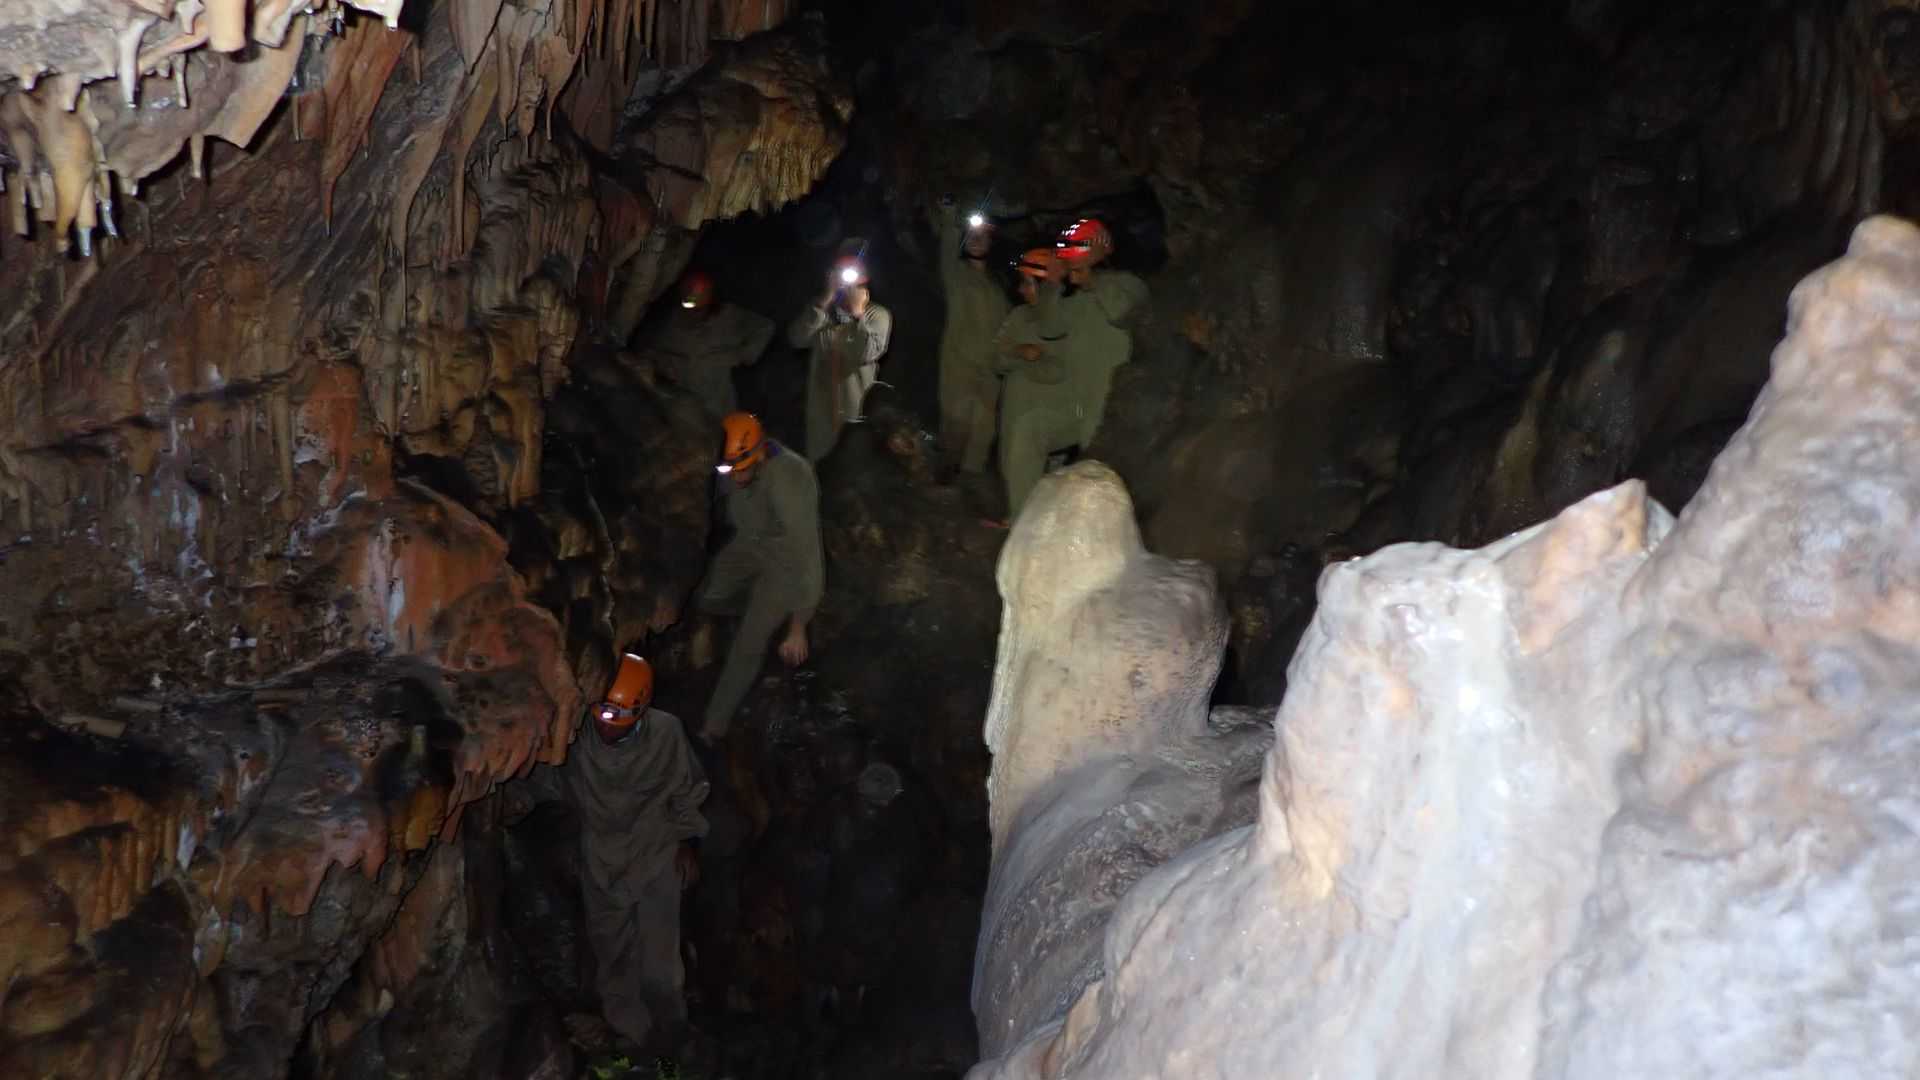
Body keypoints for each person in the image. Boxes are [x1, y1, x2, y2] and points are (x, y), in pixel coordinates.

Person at [564, 653, 710, 1058]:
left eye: (617, 714)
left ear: (641, 708)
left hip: (655, 852)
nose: (605, 722)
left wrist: (688, 844)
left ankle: (671, 1038)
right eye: (602, 710)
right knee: (612, 959)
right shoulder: (575, 732)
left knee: (660, 968)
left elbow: (688, 790)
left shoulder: (666, 733)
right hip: (601, 860)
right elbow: (557, 785)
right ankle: (634, 1039)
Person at [693, 411, 824, 739]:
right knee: (708, 593)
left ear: (758, 454)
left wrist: (798, 628)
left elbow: (808, 557)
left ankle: (714, 725)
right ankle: (741, 613)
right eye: (727, 470)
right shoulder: (735, 462)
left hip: (785, 563)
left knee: (747, 645)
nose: (733, 478)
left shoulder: (789, 481)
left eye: (739, 471)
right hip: (751, 543)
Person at [984, 248, 1078, 529]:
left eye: (1027, 282)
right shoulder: (1018, 317)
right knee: (1014, 467)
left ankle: (1024, 527)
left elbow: (1062, 371)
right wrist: (1018, 352)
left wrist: (1035, 361)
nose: (1021, 289)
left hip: (1053, 414)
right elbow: (996, 359)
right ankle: (1020, 523)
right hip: (1016, 411)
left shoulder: (1068, 318)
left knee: (1048, 479)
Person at [931, 196, 1013, 484]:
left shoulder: (997, 285)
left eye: (983, 237)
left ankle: (970, 484)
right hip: (960, 366)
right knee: (956, 425)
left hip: (990, 371)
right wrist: (951, 216)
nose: (977, 241)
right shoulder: (956, 275)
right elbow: (947, 247)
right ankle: (942, 479)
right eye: (972, 236)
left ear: (990, 243)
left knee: (984, 430)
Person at [786, 253, 894, 461]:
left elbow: (868, 352)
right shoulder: (820, 312)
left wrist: (858, 314)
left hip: (857, 409)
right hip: (821, 411)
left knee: (855, 468)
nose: (847, 284)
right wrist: (824, 301)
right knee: (822, 468)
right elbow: (796, 339)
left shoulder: (877, 315)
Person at [1055, 217, 1150, 448]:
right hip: (1075, 393)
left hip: (1108, 391)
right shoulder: (1077, 300)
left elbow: (1121, 313)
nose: (1073, 273)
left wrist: (1093, 281)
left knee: (1093, 444)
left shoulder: (1128, 284)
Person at [647, 270, 776, 419]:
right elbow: (650, 353)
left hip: (720, 410)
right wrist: (663, 365)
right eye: (689, 307)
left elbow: (765, 327)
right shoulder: (669, 326)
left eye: (699, 309)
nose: (694, 314)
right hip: (684, 413)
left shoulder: (727, 318)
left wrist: (743, 354)